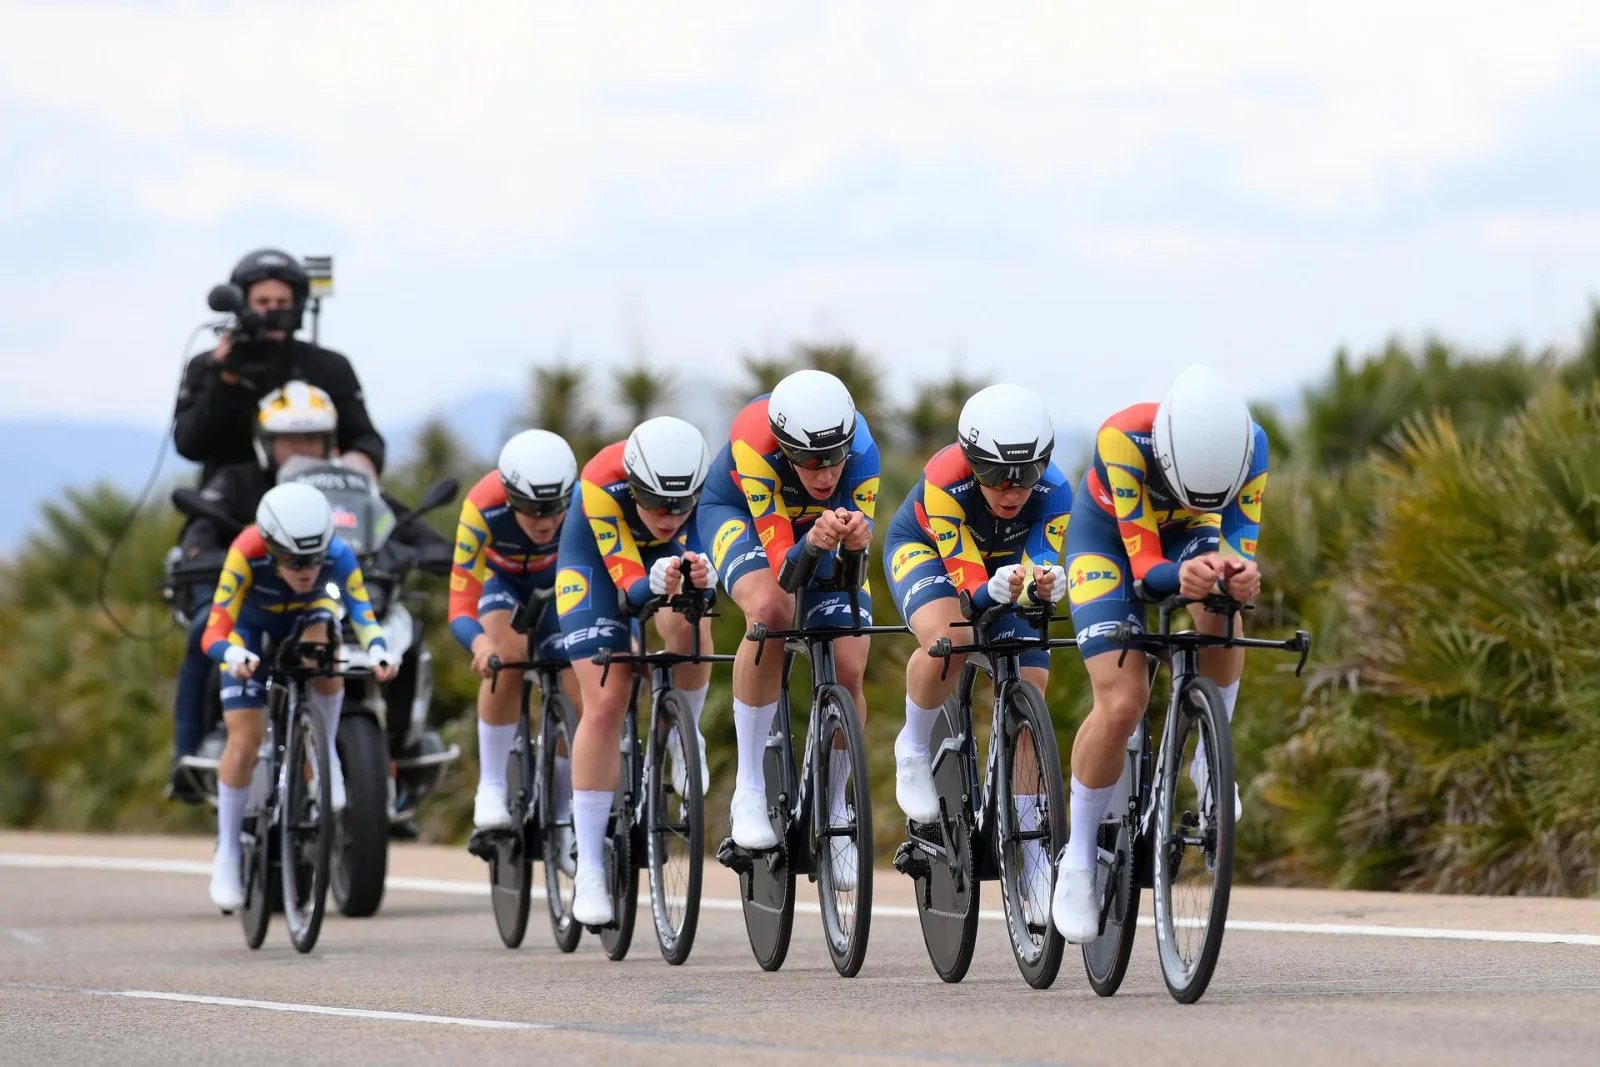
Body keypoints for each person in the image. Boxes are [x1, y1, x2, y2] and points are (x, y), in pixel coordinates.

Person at [1051, 364, 1268, 943]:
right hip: (1111, 544)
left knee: (1224, 609)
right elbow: (1147, 572)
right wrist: (1184, 575)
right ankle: (1076, 857)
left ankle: (1205, 753)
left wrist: (1239, 577)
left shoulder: (1254, 449)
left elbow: (1237, 548)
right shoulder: (1122, 438)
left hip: (1191, 534)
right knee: (1124, 700)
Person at [882, 383, 1070, 921]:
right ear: (970, 461)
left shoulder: (1057, 493)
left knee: (1031, 686)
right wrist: (1004, 586)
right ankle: (914, 746)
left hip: (1006, 564)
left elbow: (1038, 569)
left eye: (1025, 474)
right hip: (931, 553)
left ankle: (1031, 843)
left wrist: (1045, 582)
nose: (1011, 489)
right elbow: (969, 590)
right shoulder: (945, 482)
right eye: (993, 474)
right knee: (956, 637)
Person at [696, 370, 879, 887]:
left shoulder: (864, 454)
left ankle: (838, 804)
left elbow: (850, 577)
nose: (824, 475)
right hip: (744, 518)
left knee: (849, 663)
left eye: (833, 459)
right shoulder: (755, 444)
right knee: (772, 613)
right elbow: (785, 571)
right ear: (783, 446)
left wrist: (856, 545)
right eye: (806, 460)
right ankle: (750, 787)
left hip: (812, 530)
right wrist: (818, 543)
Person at [201, 482, 396, 910]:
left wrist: (380, 648)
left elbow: (362, 612)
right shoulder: (245, 552)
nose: (306, 570)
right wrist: (232, 653)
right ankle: (228, 853)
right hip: (249, 629)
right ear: (270, 548)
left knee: (325, 636)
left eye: (314, 558)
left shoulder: (339, 555)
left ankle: (322, 754)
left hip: (308, 616)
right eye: (292, 561)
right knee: (245, 737)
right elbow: (213, 631)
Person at [556, 417, 716, 925]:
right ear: (634, 485)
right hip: (596, 569)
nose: (669, 516)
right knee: (606, 699)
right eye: (655, 503)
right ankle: (591, 873)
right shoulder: (602, 480)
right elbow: (628, 588)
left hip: (661, 564)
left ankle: (680, 738)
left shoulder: (702, 493)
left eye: (680, 505)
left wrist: (703, 582)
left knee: (692, 625)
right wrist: (651, 579)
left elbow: (707, 579)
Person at [167, 382, 341, 802]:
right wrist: (200, 551)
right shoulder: (237, 481)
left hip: (322, 600)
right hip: (250, 601)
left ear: (329, 442)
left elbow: (384, 520)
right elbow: (201, 526)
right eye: (290, 438)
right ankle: (186, 754)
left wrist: (421, 543)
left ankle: (392, 753)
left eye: (312, 437)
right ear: (267, 443)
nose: (303, 448)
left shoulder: (341, 488)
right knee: (204, 632)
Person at [448, 429, 580, 862]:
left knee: (578, 685)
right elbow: (461, 604)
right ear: (508, 497)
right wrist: (481, 644)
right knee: (506, 656)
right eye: (529, 508)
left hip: (561, 585)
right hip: (502, 585)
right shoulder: (481, 507)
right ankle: (491, 785)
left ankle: (563, 816)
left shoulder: (583, 501)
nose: (544, 521)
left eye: (554, 508)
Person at [174, 248, 384, 485]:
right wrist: (222, 380)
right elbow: (189, 446)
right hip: (231, 507)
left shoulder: (328, 366)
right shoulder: (209, 366)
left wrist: (357, 465)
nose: (273, 310)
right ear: (242, 304)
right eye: (262, 302)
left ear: (297, 305)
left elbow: (366, 440)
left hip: (314, 502)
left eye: (282, 302)